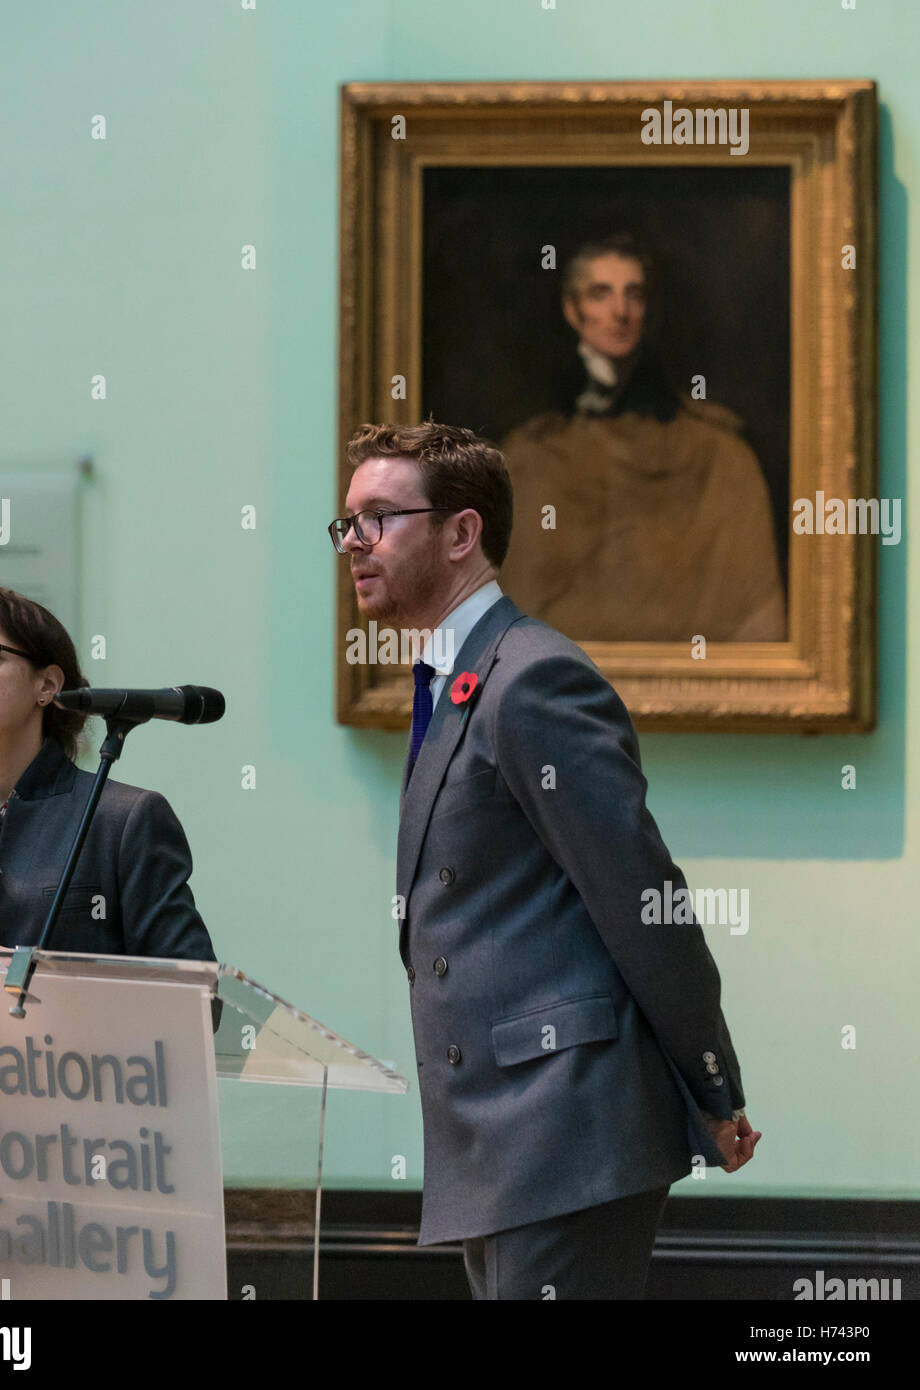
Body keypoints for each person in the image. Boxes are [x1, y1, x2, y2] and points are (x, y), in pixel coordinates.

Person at [331, 421, 761, 1300]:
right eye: (345, 524)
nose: (353, 545)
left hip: (567, 1128)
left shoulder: (532, 678)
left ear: (461, 533)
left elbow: (644, 897)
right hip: (501, 1138)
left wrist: (711, 1085)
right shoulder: (455, 677)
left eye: (378, 519)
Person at [0, 581, 215, 1069]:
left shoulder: (123, 820)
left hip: (103, 1125)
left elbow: (198, 1003)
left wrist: (47, 993)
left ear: (47, 684)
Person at [501, 232, 786, 642]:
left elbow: (755, 612)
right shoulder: (531, 453)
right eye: (601, 294)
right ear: (572, 309)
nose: (620, 311)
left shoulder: (714, 451)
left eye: (633, 294)